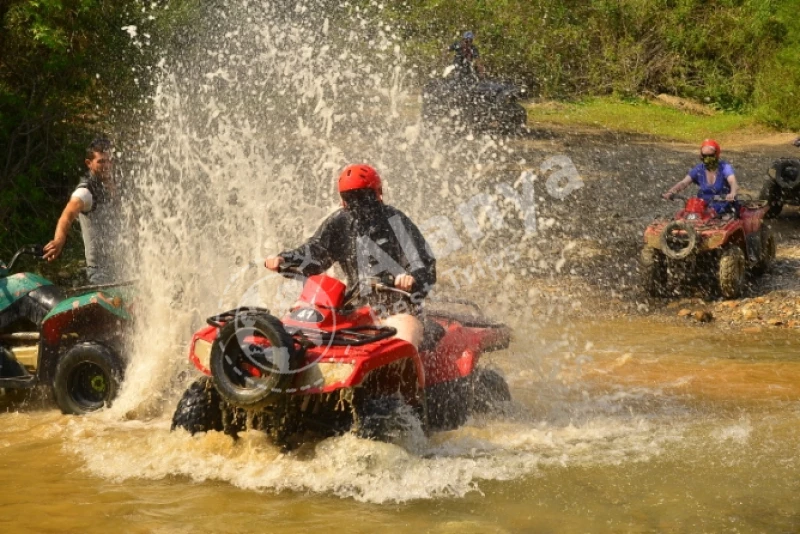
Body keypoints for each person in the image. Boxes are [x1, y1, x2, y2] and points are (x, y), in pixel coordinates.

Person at [265, 164, 436, 350]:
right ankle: (283, 357)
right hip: (354, 310)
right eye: (351, 198)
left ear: (378, 194)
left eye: (363, 196)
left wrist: (412, 279)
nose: (358, 203)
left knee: (405, 335)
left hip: (398, 309)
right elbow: (315, 250)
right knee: (302, 310)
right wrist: (285, 259)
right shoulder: (341, 222)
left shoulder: (396, 221)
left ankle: (408, 375)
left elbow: (423, 264)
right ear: (343, 200)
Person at [43, 138, 120, 283]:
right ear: (88, 163)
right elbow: (67, 215)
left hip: (122, 266)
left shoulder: (115, 184)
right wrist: (59, 240)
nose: (107, 165)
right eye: (101, 161)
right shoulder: (85, 192)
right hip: (101, 272)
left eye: (109, 160)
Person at [662, 139, 739, 216]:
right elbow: (683, 183)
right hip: (703, 205)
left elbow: (733, 182)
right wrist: (671, 192)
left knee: (715, 214)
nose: (708, 159)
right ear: (701, 156)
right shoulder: (699, 169)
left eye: (711, 156)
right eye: (705, 156)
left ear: (716, 155)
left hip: (723, 205)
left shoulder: (725, 167)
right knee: (684, 214)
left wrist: (732, 193)